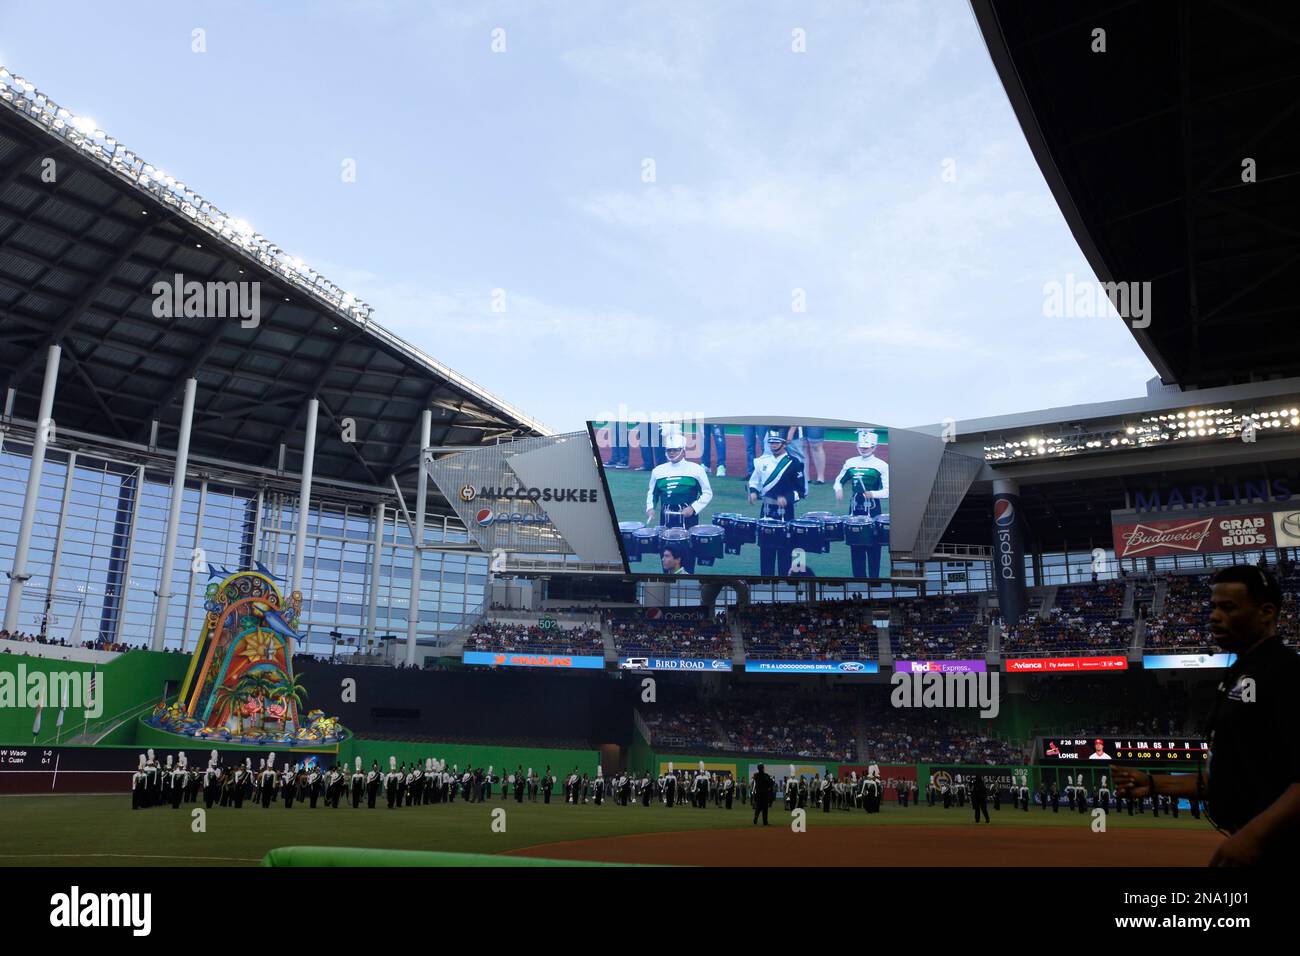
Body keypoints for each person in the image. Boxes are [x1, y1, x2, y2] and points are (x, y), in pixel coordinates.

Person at [1114, 566, 1300, 866]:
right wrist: (1152, 783)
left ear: (1266, 612)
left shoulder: (1286, 672)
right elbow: (1228, 780)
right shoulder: (1241, 672)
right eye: (1213, 607)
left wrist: (1252, 839)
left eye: (1228, 608)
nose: (1214, 616)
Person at [645, 431, 713, 569]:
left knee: (687, 554)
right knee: (666, 555)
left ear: (683, 451)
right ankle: (667, 581)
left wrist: (693, 508)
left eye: (675, 450)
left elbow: (707, 493)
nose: (671, 453)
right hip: (666, 518)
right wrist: (650, 508)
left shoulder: (696, 469)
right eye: (669, 450)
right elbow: (652, 493)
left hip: (688, 518)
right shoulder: (658, 471)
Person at [748, 431, 806, 577]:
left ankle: (784, 579)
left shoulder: (794, 463)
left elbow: (801, 491)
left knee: (785, 548)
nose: (773, 445)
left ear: (784, 444)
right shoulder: (762, 462)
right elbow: (754, 481)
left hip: (786, 512)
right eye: (771, 442)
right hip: (766, 510)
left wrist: (787, 498)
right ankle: (765, 580)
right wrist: (754, 492)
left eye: (776, 442)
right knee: (766, 547)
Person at [834, 429, 889, 579]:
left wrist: (873, 494)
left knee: (873, 547)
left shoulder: (881, 465)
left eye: (867, 447)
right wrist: (838, 489)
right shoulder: (851, 462)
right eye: (861, 447)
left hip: (873, 510)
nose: (864, 449)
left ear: (874, 447)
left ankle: (874, 580)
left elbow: (888, 491)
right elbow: (839, 480)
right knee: (856, 546)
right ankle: (858, 579)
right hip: (855, 510)